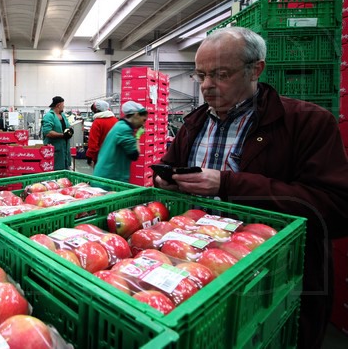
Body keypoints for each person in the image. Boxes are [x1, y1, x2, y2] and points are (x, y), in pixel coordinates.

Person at [155, 26, 348, 349]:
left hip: (271, 282)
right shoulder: (194, 124)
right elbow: (168, 168)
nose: (206, 85)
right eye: (201, 75)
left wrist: (228, 183)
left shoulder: (306, 123)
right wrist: (164, 180)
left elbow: (336, 207)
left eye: (221, 74)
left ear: (255, 70)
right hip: (200, 271)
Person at [93, 101, 148, 182]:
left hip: (104, 176)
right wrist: (138, 137)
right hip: (109, 179)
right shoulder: (125, 129)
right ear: (136, 115)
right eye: (143, 120)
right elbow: (134, 155)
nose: (143, 124)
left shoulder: (119, 125)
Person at [42, 96, 73, 170]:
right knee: (55, 171)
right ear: (58, 105)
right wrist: (62, 135)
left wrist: (70, 131)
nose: (63, 106)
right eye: (63, 104)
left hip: (65, 150)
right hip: (55, 151)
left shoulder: (63, 115)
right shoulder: (49, 116)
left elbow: (68, 126)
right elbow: (48, 132)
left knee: (65, 170)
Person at [85, 100, 118, 166]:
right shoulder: (115, 120)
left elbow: (93, 143)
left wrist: (89, 157)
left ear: (96, 110)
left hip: (101, 158)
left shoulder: (97, 122)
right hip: (114, 156)